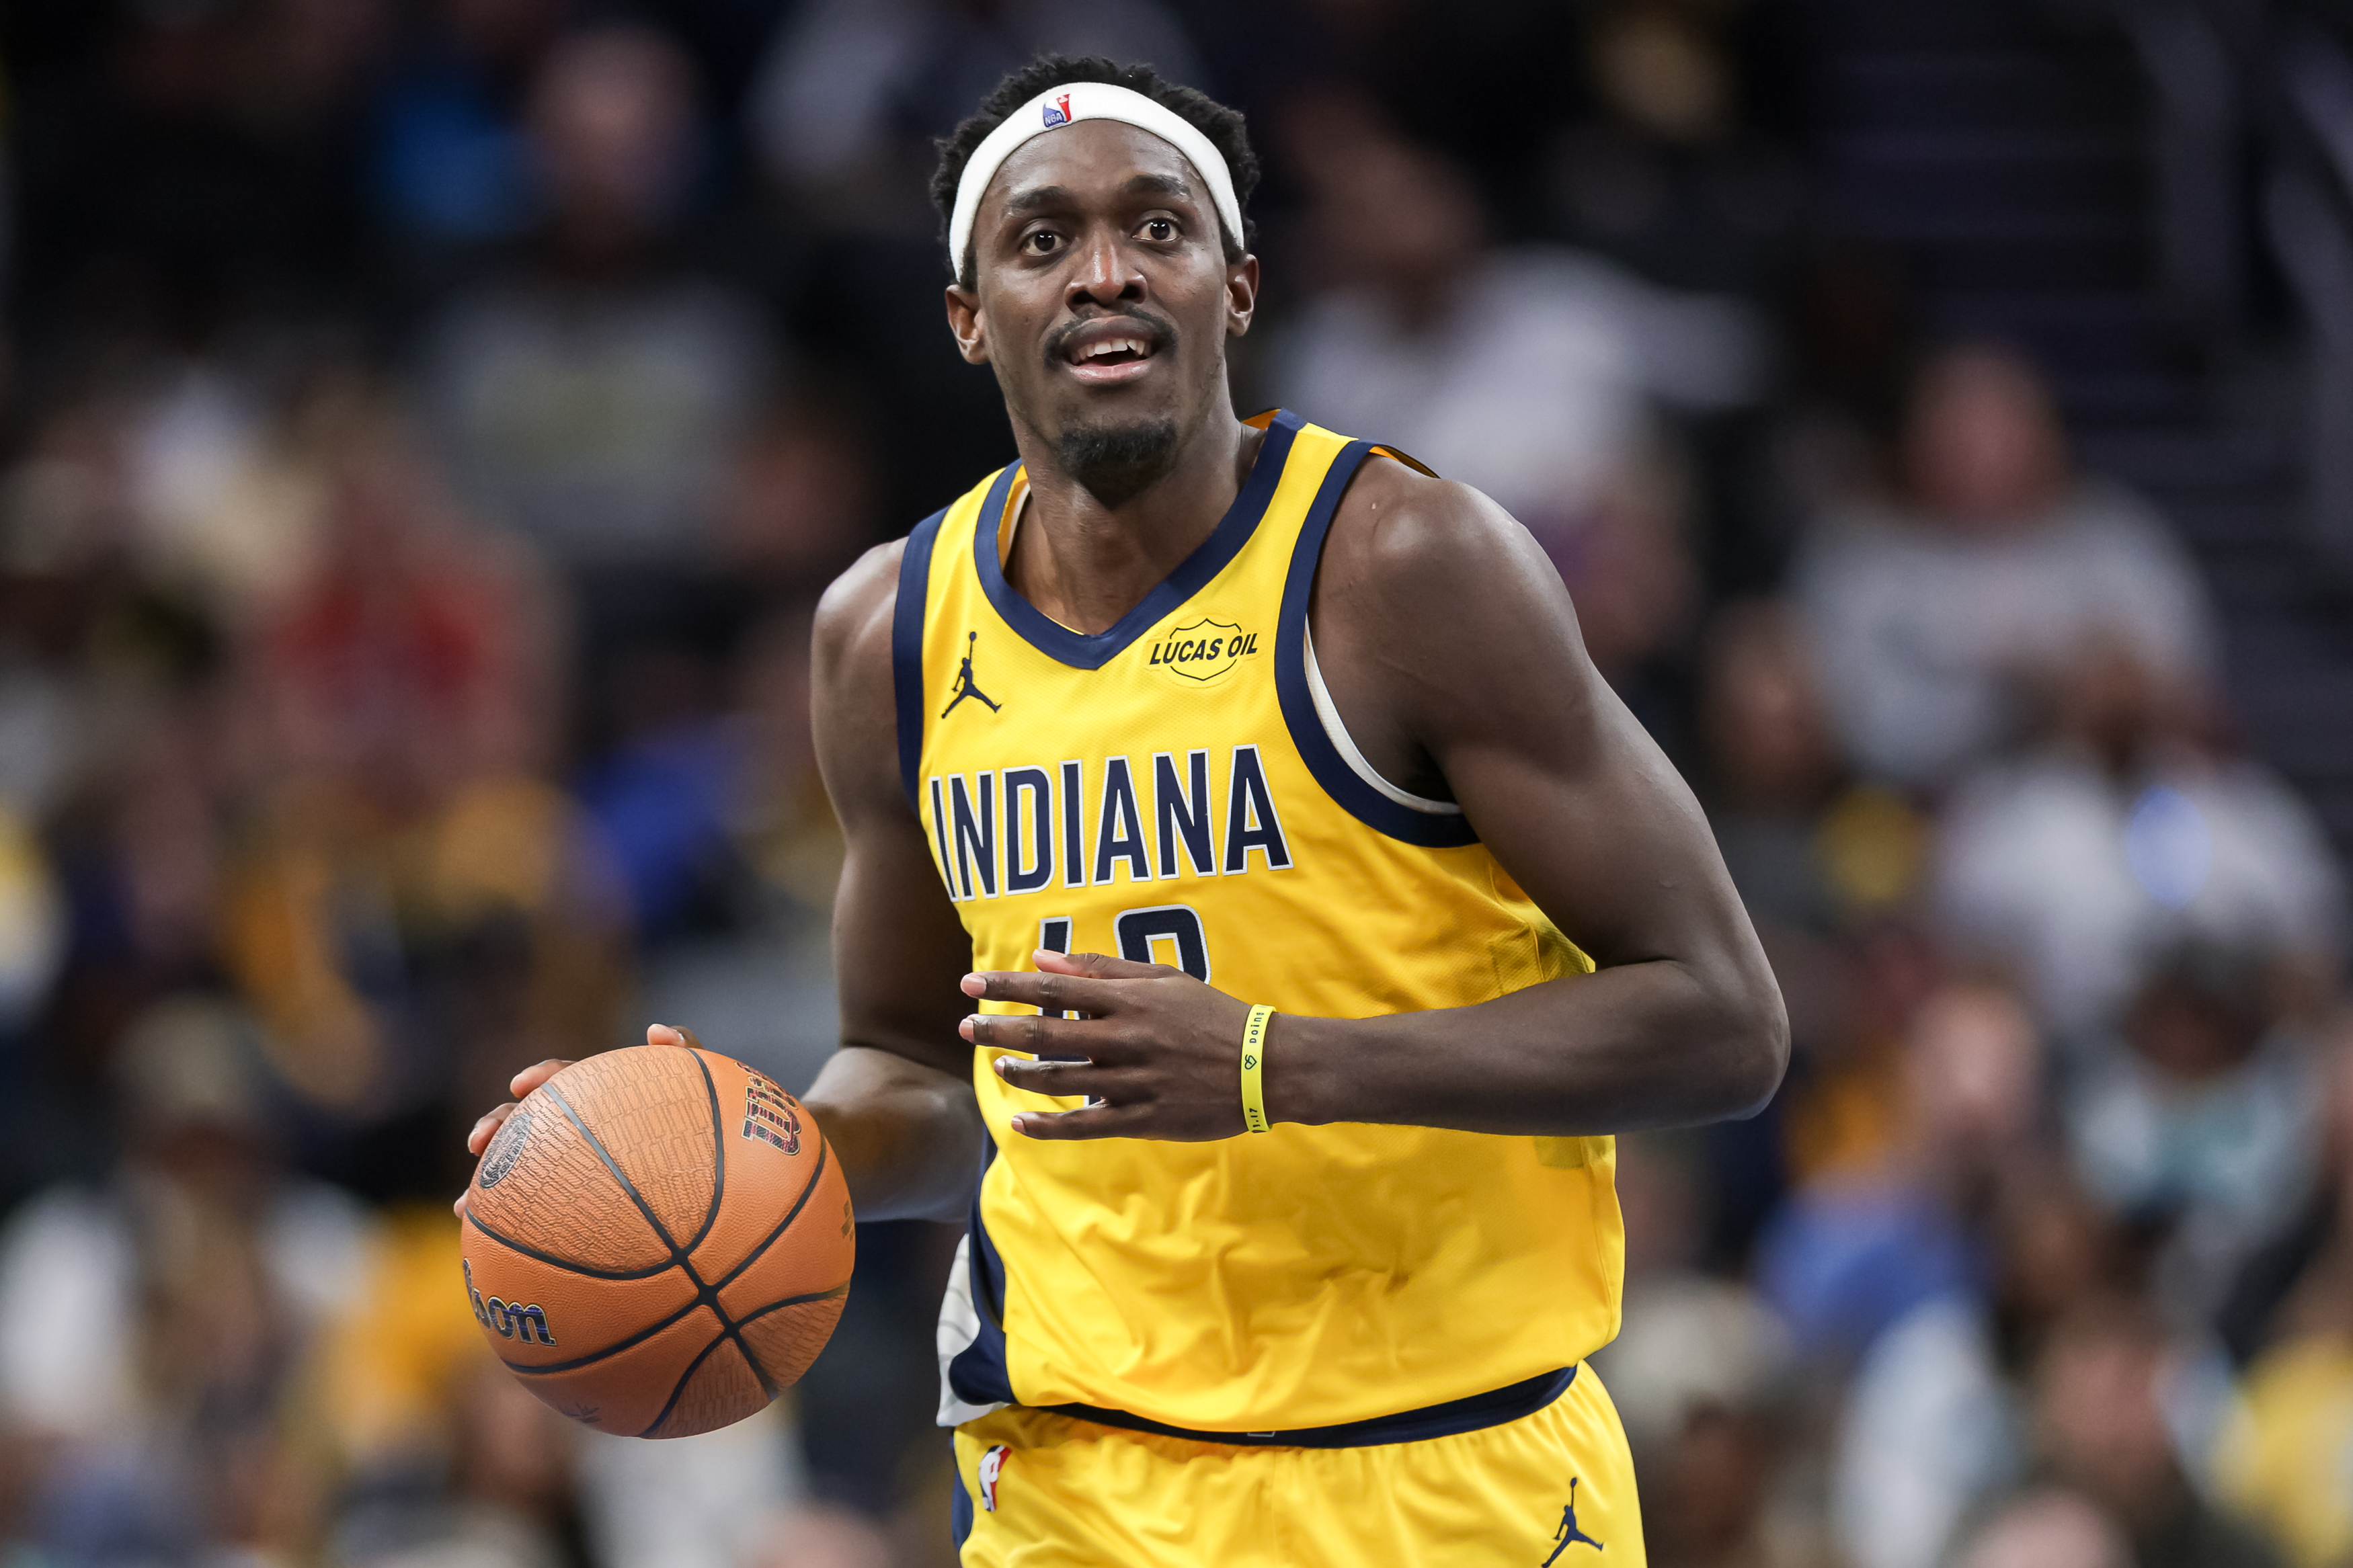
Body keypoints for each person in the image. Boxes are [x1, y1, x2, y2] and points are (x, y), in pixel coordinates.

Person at [463, 54, 1786, 1566]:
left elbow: (1722, 1020)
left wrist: (1275, 1063)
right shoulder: (887, 633)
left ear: (1238, 287)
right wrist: (733, 1153)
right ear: (968, 315)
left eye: (1158, 227)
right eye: (1042, 240)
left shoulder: (1403, 569)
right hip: (1078, 1484)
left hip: (1443, 1468)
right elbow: (917, 1065)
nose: (1105, 272)